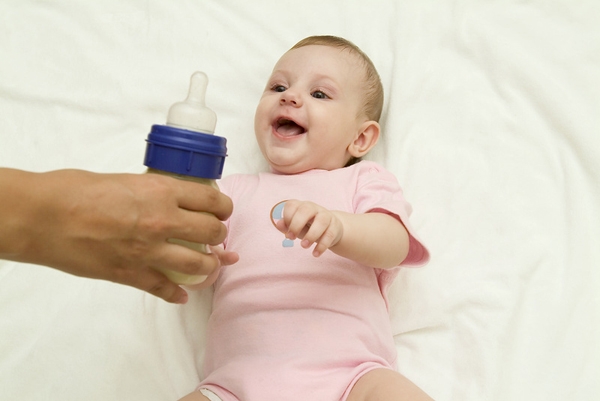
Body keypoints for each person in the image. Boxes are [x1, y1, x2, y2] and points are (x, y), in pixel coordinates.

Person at [179, 35, 432, 401]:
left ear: (361, 139)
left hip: (353, 377)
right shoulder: (231, 190)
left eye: (320, 94)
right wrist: (198, 255)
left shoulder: (361, 180)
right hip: (234, 385)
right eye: (278, 86)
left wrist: (340, 227)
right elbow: (197, 273)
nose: (290, 96)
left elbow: (394, 244)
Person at [0, 167, 234, 304]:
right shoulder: (231, 189)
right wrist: (207, 262)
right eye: (272, 88)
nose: (274, 97)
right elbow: (194, 249)